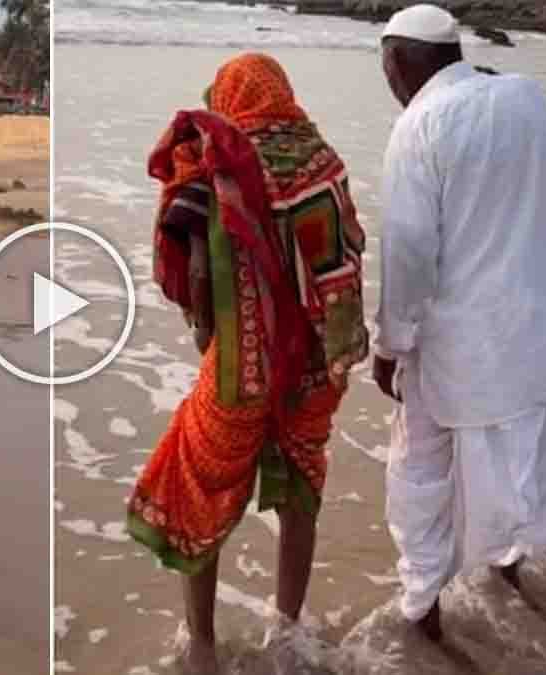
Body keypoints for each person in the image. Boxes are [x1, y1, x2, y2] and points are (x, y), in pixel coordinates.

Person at [126, 53, 369, 673]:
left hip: (242, 365)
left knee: (201, 487)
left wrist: (207, 326)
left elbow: (186, 275)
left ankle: (202, 646)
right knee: (301, 492)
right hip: (313, 367)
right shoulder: (323, 161)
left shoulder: (217, 163)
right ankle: (286, 633)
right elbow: (344, 260)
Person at [373, 5, 546, 641]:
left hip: (461, 359)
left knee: (421, 478)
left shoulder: (417, 126)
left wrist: (390, 345)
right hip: (537, 345)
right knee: (526, 473)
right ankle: (510, 575)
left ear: (398, 62)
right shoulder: (524, 97)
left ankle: (423, 614)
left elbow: (410, 256)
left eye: (386, 67)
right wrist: (517, 211)